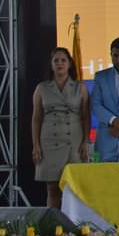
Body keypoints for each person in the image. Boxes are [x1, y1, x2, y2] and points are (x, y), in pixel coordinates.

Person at [31, 47, 89, 208]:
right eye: (56, 60)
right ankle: (53, 222)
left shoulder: (80, 87)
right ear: (51, 65)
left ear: (69, 64)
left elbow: (85, 116)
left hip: (74, 142)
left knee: (74, 189)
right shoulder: (42, 88)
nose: (59, 64)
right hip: (50, 142)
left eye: (63, 60)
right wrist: (36, 145)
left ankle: (74, 222)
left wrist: (85, 142)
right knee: (52, 189)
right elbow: (36, 118)